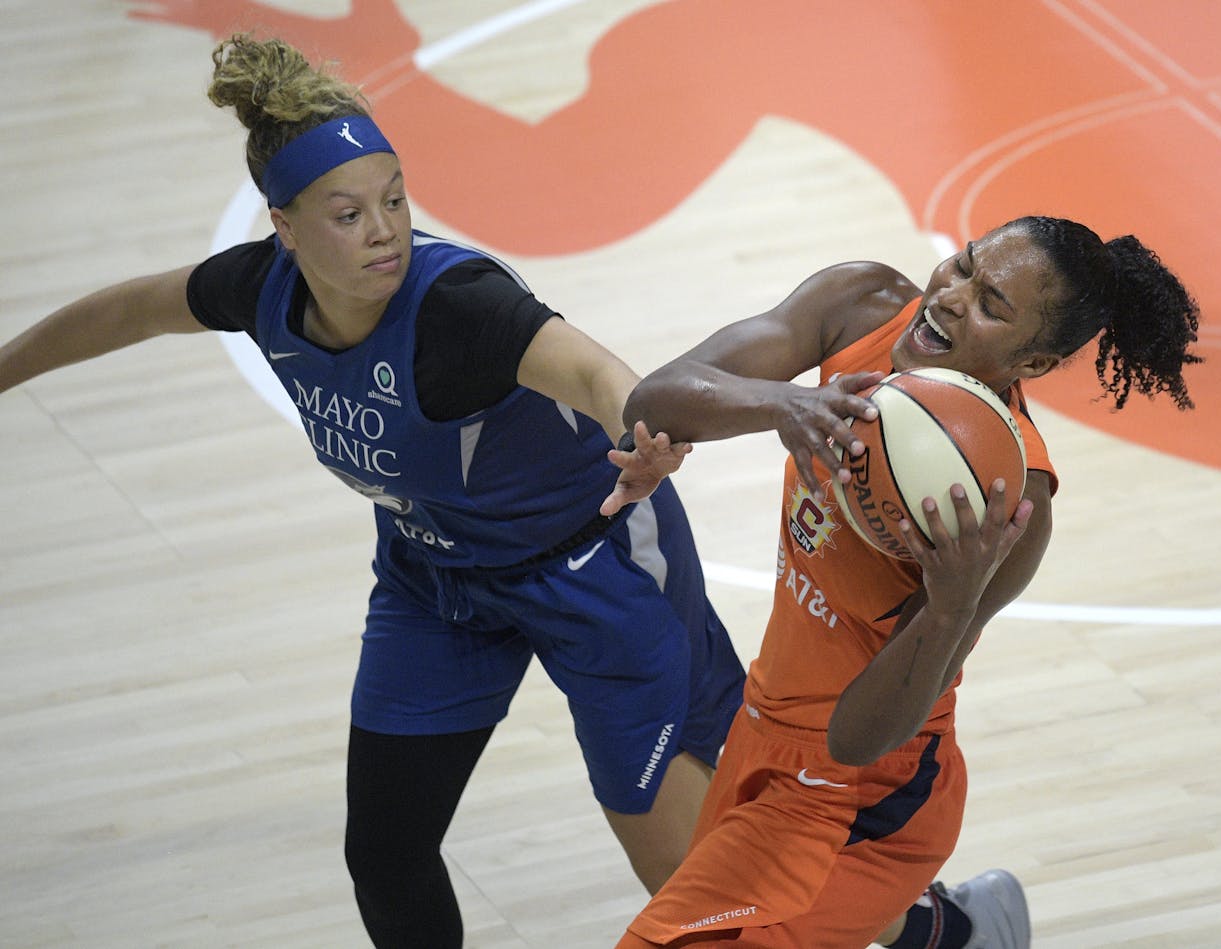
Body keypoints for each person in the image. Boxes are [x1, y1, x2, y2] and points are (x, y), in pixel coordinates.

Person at [0, 35, 746, 949]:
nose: (385, 229)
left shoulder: (457, 306)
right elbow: (129, 309)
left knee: (686, 871)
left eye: (393, 199)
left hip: (592, 569)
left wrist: (639, 433)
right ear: (285, 227)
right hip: (438, 582)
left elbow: (594, 370)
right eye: (348, 214)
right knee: (386, 853)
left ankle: (919, 926)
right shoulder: (261, 290)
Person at [613, 215, 1201, 948]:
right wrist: (781, 403)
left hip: (868, 797)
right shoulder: (859, 304)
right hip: (761, 726)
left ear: (1036, 362)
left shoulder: (1009, 503)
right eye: (963, 265)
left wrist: (952, 606)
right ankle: (948, 933)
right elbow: (651, 401)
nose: (951, 296)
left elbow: (860, 737)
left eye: (991, 304)